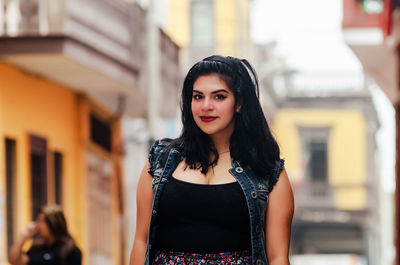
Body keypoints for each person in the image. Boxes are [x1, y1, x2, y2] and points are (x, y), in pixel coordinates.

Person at [129, 55, 294, 265]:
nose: (206, 106)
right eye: (198, 97)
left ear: (239, 103)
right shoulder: (159, 163)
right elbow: (141, 242)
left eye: (219, 97)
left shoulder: (268, 171)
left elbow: (278, 257)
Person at [9, 205, 82, 265]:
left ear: (53, 223)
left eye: (41, 221)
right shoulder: (37, 248)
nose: (37, 225)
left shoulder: (69, 251)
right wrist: (23, 235)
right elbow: (15, 261)